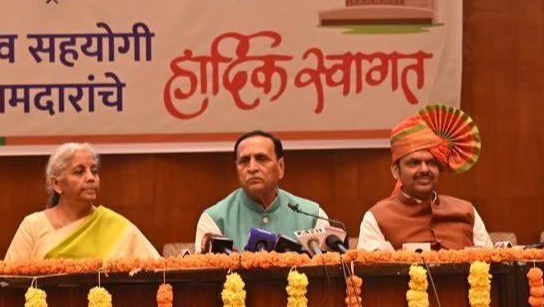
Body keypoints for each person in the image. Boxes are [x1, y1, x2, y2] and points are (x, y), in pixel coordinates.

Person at [357, 105, 492, 251]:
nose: (424, 169)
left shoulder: (467, 211)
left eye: (431, 162)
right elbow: (368, 270)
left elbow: (494, 265)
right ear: (396, 171)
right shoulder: (376, 218)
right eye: (414, 163)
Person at [4, 142, 158, 260]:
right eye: (79, 172)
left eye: (94, 171)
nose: (91, 178)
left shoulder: (116, 226)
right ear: (56, 184)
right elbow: (9, 281)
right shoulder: (33, 225)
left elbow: (157, 268)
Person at [194, 130, 327, 252]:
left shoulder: (312, 216)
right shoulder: (213, 220)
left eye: (261, 159)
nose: (252, 168)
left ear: (280, 167)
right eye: (244, 161)